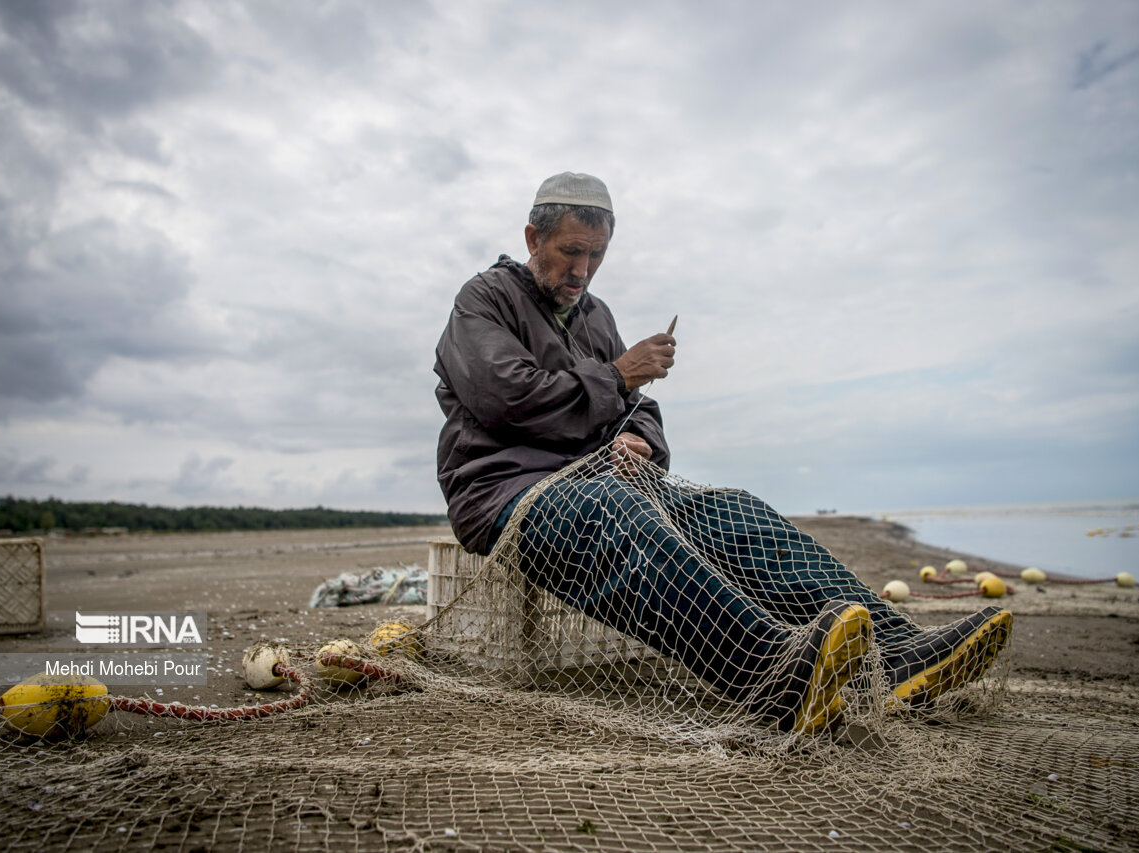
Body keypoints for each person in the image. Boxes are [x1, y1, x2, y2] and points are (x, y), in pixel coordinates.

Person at [434, 172, 1012, 734]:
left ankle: (899, 654)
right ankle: (776, 675)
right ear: (534, 239)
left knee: (735, 511)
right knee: (614, 514)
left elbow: (639, 412)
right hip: (505, 491)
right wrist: (617, 374)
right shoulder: (483, 299)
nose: (582, 270)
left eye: (597, 254)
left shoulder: (596, 316)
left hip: (603, 479)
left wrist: (641, 442)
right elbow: (503, 399)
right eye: (570, 251)